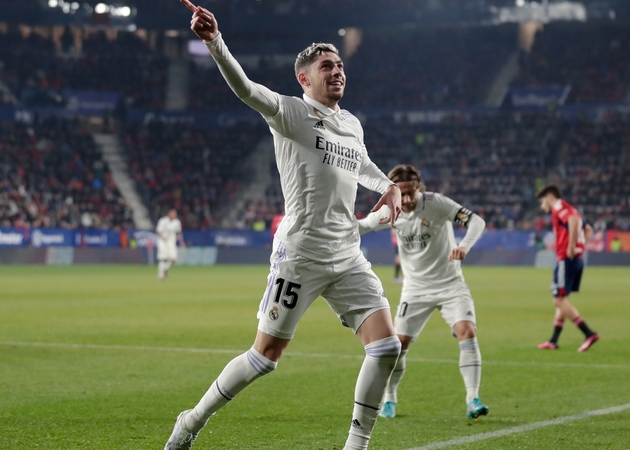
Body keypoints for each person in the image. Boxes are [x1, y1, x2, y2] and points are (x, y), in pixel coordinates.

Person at [165, 2, 403, 449]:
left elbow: (362, 164)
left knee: (386, 348)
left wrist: (387, 184)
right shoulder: (289, 113)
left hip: (347, 252)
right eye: (327, 66)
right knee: (265, 358)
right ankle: (192, 421)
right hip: (301, 254)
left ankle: (357, 444)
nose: (337, 72)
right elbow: (246, 89)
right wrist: (215, 43)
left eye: (340, 65)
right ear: (305, 78)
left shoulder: (350, 123)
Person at [357, 164, 489, 420]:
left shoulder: (436, 203)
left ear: (419, 188)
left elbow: (476, 221)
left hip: (450, 284)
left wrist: (464, 246)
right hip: (415, 289)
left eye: (411, 193)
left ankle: (473, 398)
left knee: (468, 331)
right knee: (398, 345)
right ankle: (389, 400)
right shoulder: (390, 209)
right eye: (401, 193)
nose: (406, 199)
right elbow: (363, 226)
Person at [536, 185, 599, 352]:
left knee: (558, 300)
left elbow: (573, 220)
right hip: (576, 259)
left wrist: (571, 246)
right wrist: (581, 246)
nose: (543, 207)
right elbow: (588, 229)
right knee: (562, 301)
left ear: (550, 197)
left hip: (565, 258)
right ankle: (553, 340)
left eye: (543, 202)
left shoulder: (560, 208)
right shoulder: (570, 208)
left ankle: (588, 333)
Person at [157, 209, 185, 281]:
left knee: (173, 258)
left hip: (171, 241)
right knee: (163, 258)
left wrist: (182, 242)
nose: (174, 215)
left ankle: (165, 268)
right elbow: (158, 232)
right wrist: (163, 239)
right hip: (162, 241)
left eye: (175, 214)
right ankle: (161, 275)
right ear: (169, 214)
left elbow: (179, 232)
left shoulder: (177, 222)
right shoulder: (162, 221)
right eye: (173, 214)